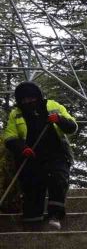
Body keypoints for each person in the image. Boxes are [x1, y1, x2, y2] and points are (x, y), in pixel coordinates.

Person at [2, 81, 78, 230]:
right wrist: (22, 148)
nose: (28, 102)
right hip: (30, 157)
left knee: (58, 179)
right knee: (32, 186)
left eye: (31, 99)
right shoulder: (16, 113)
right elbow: (10, 137)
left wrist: (59, 120)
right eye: (24, 100)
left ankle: (55, 215)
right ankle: (32, 220)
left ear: (37, 96)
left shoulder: (52, 106)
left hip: (57, 154)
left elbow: (72, 127)